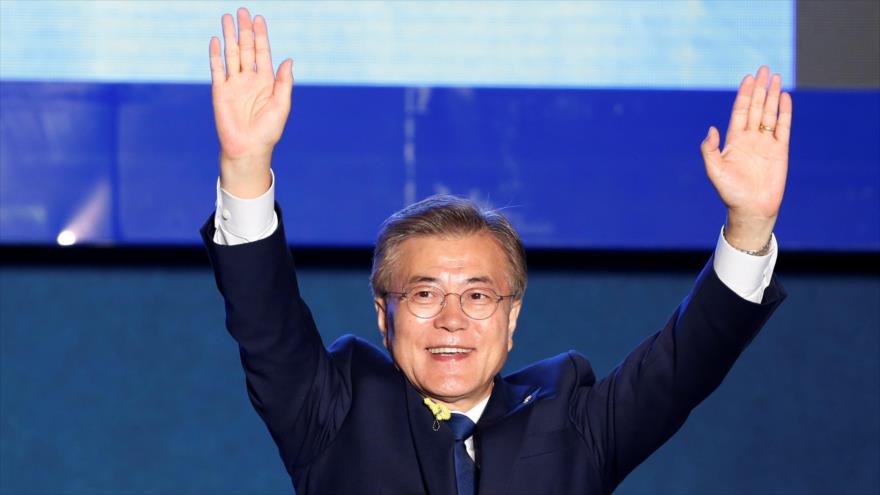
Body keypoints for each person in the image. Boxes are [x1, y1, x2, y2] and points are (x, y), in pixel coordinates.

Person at [202, 8, 791, 494]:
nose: (452, 319)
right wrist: (246, 165)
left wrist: (751, 221)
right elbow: (264, 319)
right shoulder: (332, 411)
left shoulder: (572, 422)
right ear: (384, 315)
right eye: (425, 292)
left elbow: (686, 362)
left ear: (511, 318)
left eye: (478, 295)